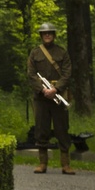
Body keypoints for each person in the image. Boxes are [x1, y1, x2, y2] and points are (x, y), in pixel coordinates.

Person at [27, 20, 74, 174]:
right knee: (41, 129)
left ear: (53, 35)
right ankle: (42, 164)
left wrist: (56, 89)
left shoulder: (62, 52)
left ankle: (65, 165)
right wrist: (43, 90)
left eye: (50, 33)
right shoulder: (35, 53)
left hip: (58, 96)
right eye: (44, 33)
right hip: (41, 98)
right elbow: (31, 74)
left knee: (62, 129)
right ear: (41, 35)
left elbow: (67, 73)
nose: (47, 35)